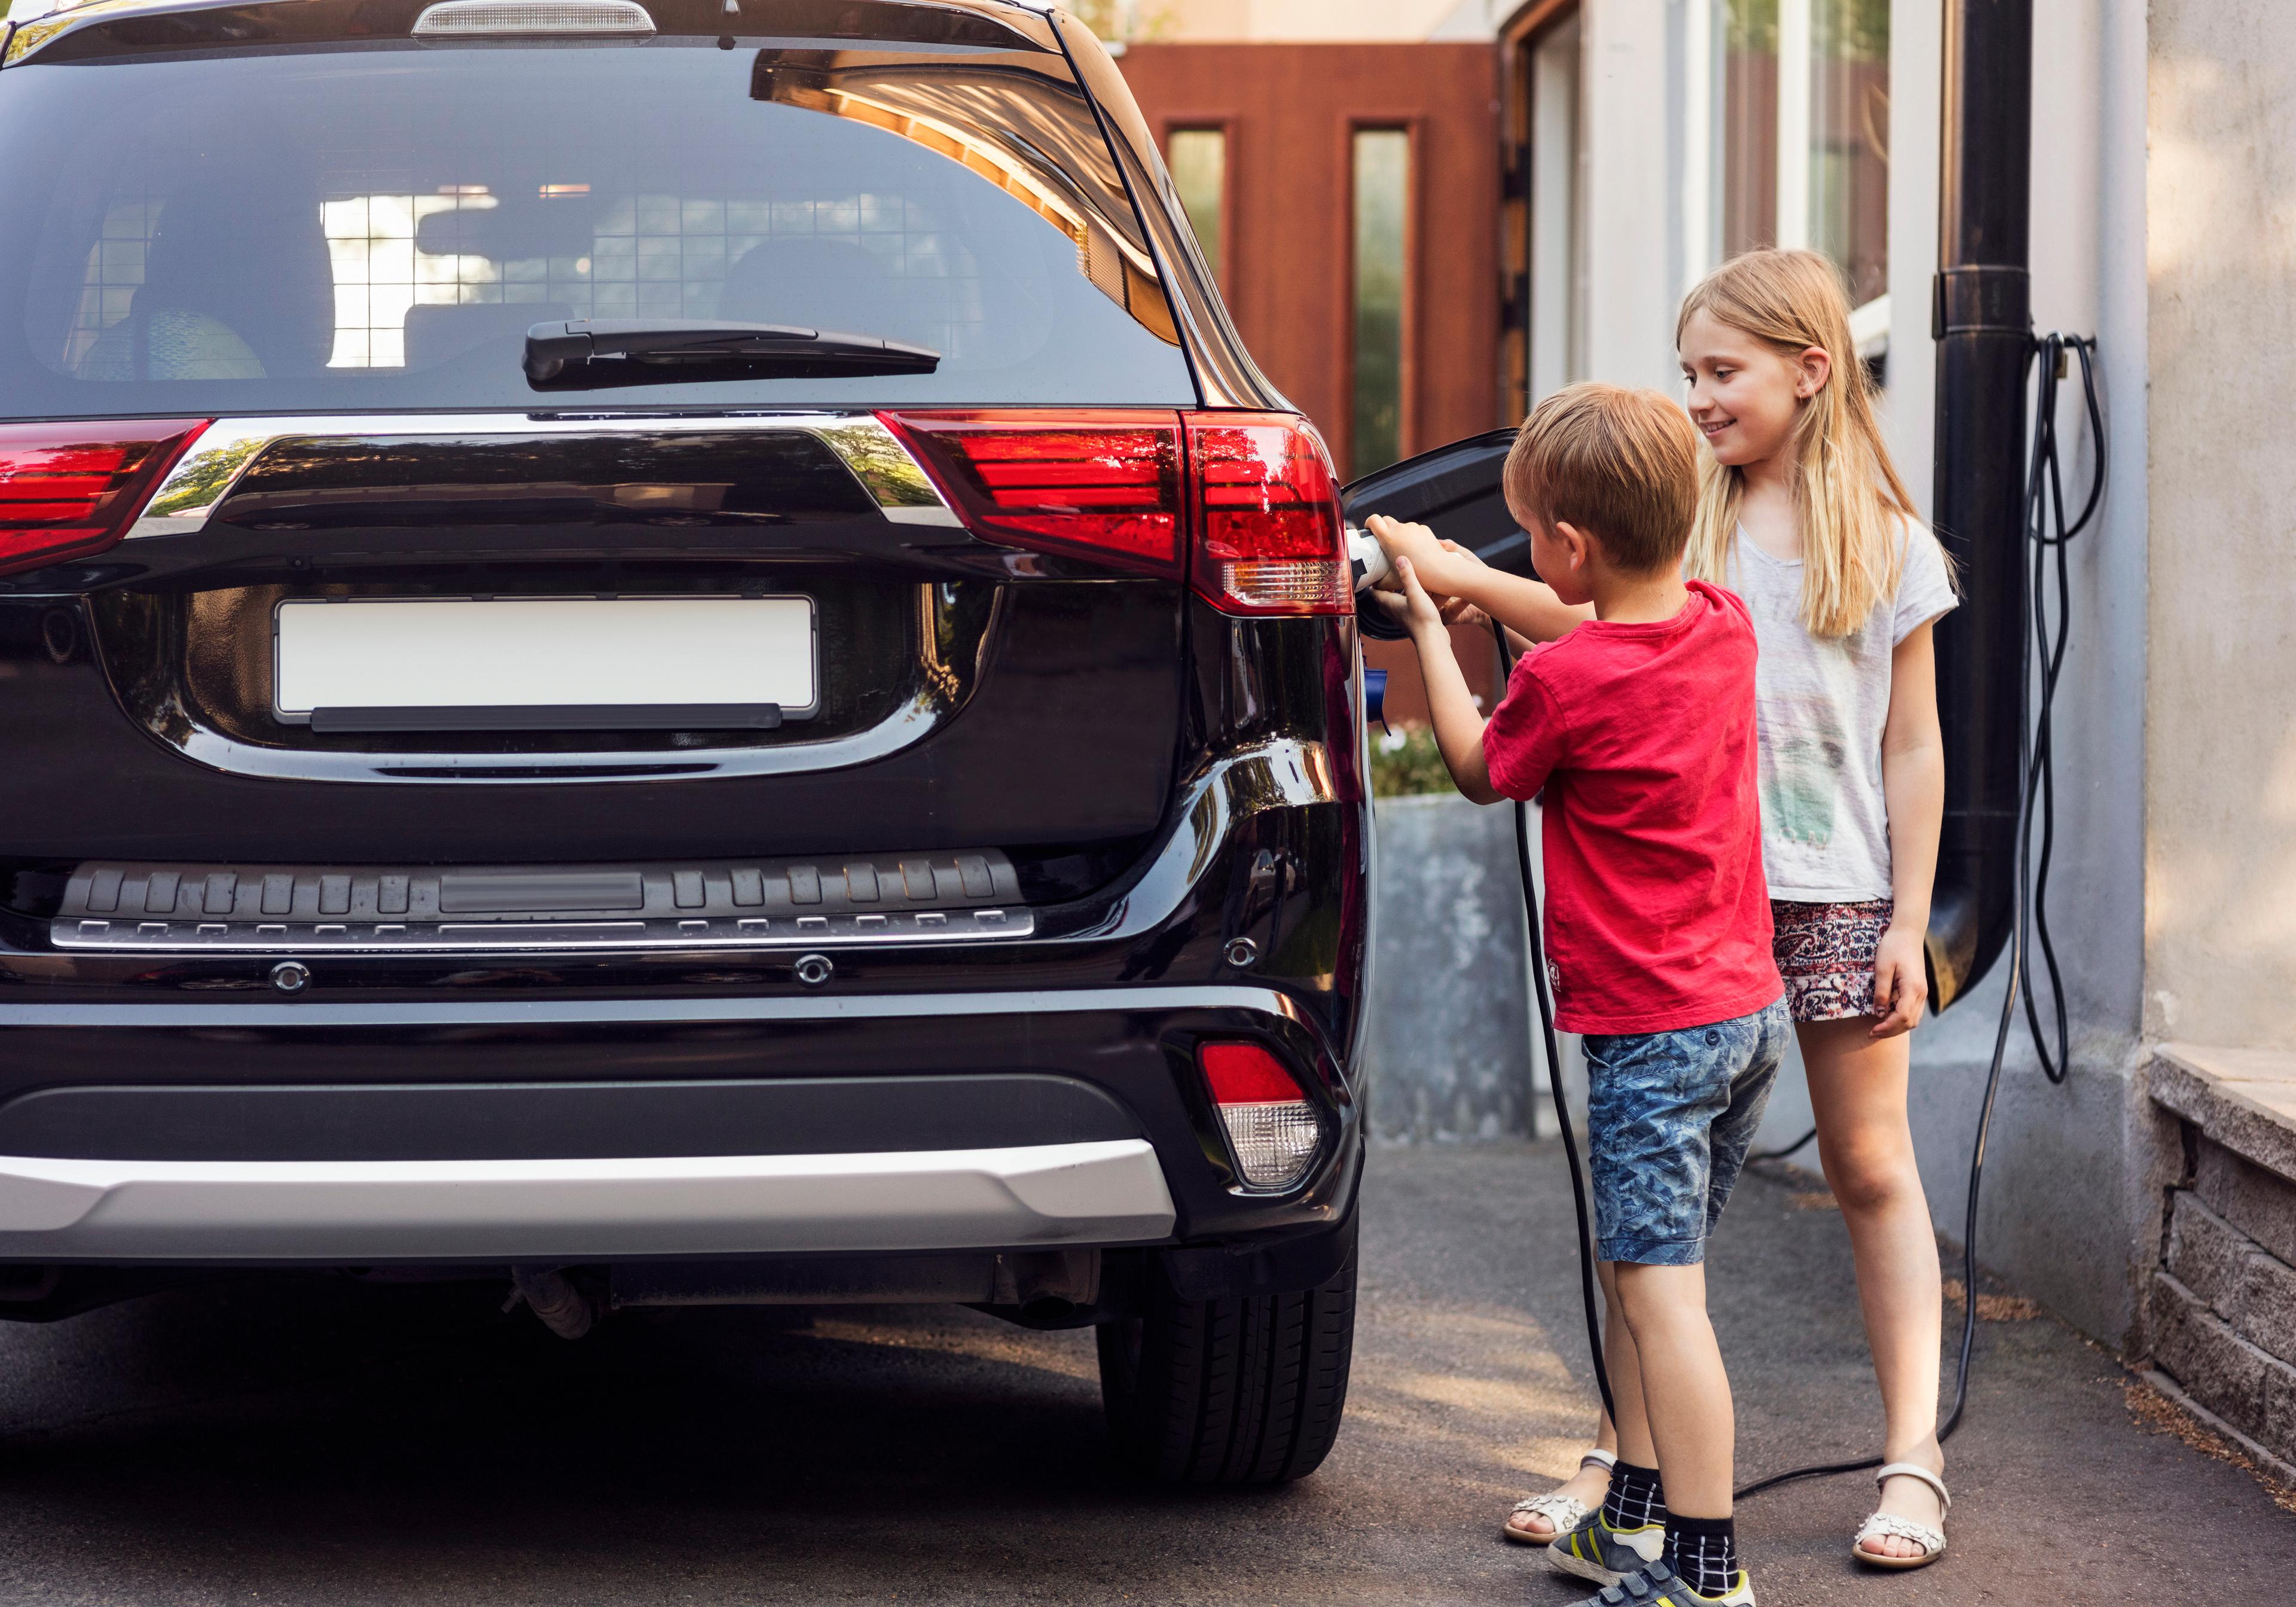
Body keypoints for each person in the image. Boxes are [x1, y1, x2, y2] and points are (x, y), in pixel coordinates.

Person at [1387, 247, 1958, 1574]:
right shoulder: (1684, 526)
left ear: (1812, 372)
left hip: (1833, 896)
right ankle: (1622, 1461)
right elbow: (1590, 626)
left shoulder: (1888, 544)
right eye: (1688, 372)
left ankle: (1912, 1459)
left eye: (1723, 371)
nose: (1698, 396)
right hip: (1702, 888)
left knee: (1866, 1168)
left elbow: (1914, 746)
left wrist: (1907, 920)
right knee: (1656, 1213)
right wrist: (1460, 580)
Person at [1375, 382, 1788, 1607]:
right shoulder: (1721, 622)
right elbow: (1578, 615)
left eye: (1532, 537)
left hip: (1651, 1040)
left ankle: (1707, 1575)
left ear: (1571, 547)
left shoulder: (1566, 683)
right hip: (1740, 1019)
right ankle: (1631, 1520)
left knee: (1665, 1302)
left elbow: (1475, 765)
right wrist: (1453, 565)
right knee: (1642, 1272)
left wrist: (1432, 623)